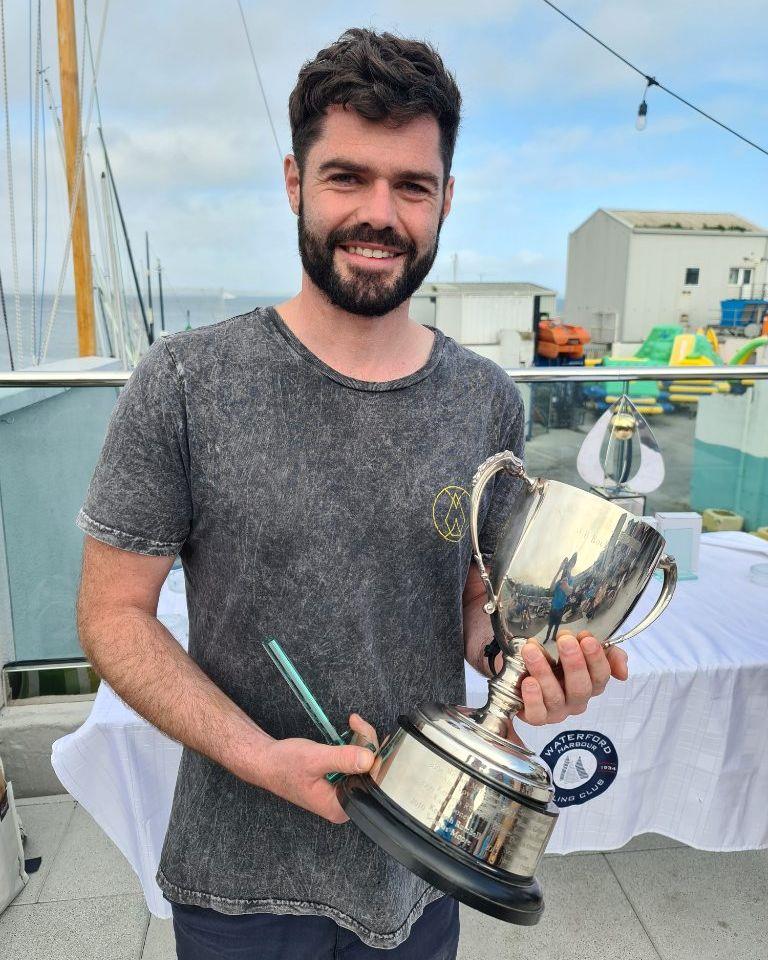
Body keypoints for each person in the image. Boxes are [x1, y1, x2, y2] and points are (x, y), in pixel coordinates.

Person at [75, 28, 628, 960]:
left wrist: (522, 675)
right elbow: (112, 612)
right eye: (347, 178)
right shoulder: (185, 381)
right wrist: (257, 757)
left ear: (445, 200)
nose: (380, 213)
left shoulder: (487, 400)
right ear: (294, 182)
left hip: (423, 862)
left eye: (411, 186)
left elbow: (473, 609)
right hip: (239, 875)